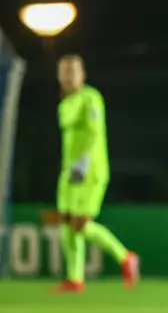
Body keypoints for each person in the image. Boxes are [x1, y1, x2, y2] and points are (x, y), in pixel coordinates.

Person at [50, 54, 140, 293]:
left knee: (80, 223)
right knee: (66, 222)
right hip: (69, 172)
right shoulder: (65, 103)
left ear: (83, 75)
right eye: (64, 72)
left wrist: (83, 163)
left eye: (73, 72)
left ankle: (125, 257)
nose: (68, 77)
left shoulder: (91, 98)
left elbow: (94, 134)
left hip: (89, 170)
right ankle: (75, 278)